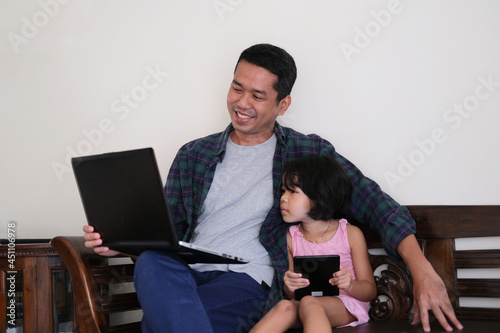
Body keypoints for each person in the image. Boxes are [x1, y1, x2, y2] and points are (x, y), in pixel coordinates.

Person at [83, 43, 463, 332]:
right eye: (237, 88)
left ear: (284, 104)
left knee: (164, 321)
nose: (241, 103)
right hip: (185, 275)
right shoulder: (193, 155)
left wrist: (423, 271)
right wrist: (125, 242)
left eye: (258, 96)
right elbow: (166, 235)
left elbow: (379, 206)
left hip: (247, 282)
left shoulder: (307, 153)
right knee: (152, 261)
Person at [250, 155, 377, 333]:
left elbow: (369, 291)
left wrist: (350, 285)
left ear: (318, 196)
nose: (283, 198)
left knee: (310, 303)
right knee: (285, 306)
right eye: (283, 191)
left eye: (293, 191)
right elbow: (294, 295)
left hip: (346, 305)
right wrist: (289, 288)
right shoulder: (291, 237)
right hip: (305, 304)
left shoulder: (349, 233)